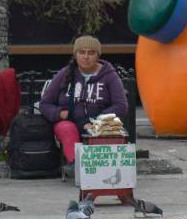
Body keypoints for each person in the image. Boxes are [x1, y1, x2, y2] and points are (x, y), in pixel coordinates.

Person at [39, 35, 128, 172]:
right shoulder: (65, 74)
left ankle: (102, 168)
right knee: (67, 129)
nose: (86, 57)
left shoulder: (109, 75)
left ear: (98, 55)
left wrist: (96, 121)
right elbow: (45, 104)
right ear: (75, 55)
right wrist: (60, 114)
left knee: (104, 132)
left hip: (100, 123)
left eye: (91, 53)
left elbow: (121, 105)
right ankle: (78, 166)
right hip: (69, 121)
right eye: (82, 52)